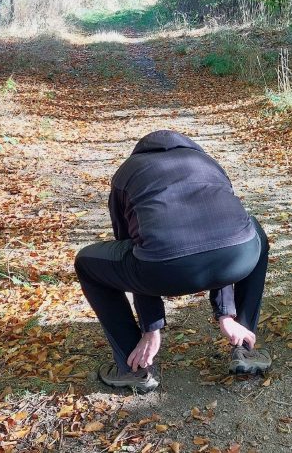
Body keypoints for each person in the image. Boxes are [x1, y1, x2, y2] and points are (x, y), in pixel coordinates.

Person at [74, 130, 271, 392]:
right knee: (251, 232)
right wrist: (226, 316)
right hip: (239, 259)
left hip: (162, 271)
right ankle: (243, 345)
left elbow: (131, 246)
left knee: (86, 263)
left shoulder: (127, 173)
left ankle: (134, 368)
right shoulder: (209, 163)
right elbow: (219, 232)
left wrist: (151, 327)